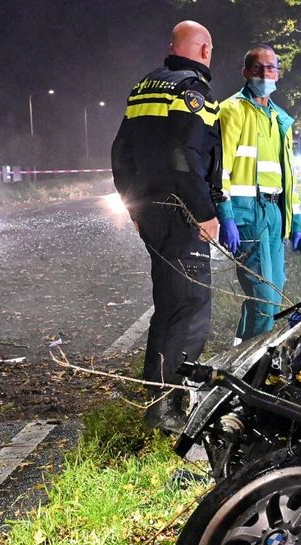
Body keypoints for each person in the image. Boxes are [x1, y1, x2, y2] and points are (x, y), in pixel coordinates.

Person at [110, 20, 221, 432]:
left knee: (169, 302)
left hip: (152, 212)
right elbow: (185, 157)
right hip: (181, 212)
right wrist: (205, 211)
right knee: (191, 309)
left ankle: (153, 389)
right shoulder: (193, 91)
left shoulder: (142, 88)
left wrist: (135, 209)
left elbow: (120, 154)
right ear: (205, 50)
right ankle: (168, 410)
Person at [215, 44, 301, 343]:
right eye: (260, 68)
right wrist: (226, 217)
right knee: (264, 296)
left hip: (274, 215)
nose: (267, 73)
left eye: (272, 67)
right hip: (246, 214)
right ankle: (254, 365)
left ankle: (240, 352)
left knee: (273, 295)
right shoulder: (232, 110)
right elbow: (221, 171)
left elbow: (289, 179)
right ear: (246, 72)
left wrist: (298, 223)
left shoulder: (280, 119)